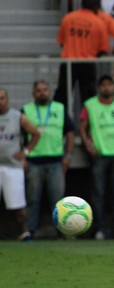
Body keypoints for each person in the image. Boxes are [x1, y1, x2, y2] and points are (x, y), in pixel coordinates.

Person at [22, 80, 76, 238]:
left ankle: (63, 232)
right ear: (33, 93)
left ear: (50, 92)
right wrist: (23, 156)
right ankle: (29, 231)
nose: (42, 93)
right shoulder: (26, 110)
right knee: (32, 199)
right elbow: (20, 135)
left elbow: (70, 132)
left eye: (45, 89)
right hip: (33, 161)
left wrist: (68, 155)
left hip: (55, 161)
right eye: (38, 90)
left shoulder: (59, 109)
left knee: (58, 200)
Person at [79, 75, 114, 240]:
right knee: (98, 193)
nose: (106, 88)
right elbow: (82, 126)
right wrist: (88, 145)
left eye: (109, 84)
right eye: (103, 85)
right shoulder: (90, 105)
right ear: (99, 87)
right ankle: (99, 229)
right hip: (99, 153)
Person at [0, 88, 40, 241]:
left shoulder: (17, 117)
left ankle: (25, 232)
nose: (0, 101)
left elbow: (36, 133)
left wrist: (26, 152)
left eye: (2, 98)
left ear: (7, 99)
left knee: (19, 204)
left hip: (12, 166)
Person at [54, 0, 108, 107]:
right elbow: (103, 49)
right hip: (87, 63)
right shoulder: (98, 22)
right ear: (97, 6)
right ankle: (88, 122)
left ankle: (57, 121)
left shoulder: (68, 18)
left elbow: (61, 42)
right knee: (89, 99)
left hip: (68, 62)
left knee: (62, 96)